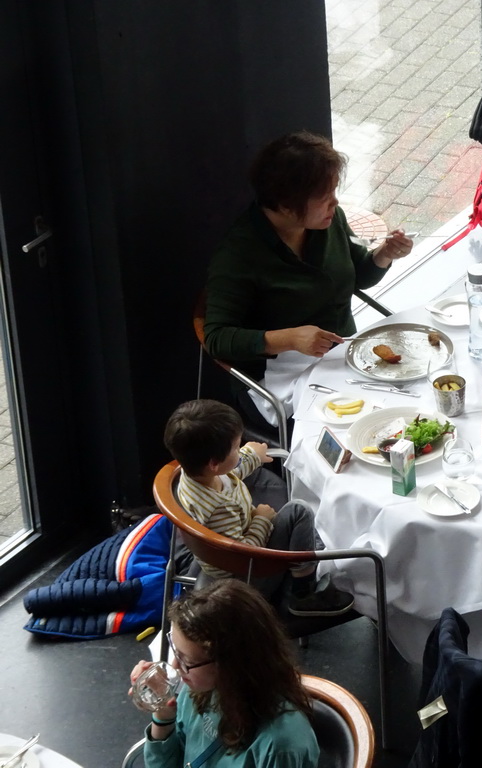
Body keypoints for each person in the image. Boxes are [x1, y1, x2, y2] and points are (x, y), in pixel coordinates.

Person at [203, 131, 412, 426]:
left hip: (343, 357)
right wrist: (287, 339)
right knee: (366, 428)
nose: (335, 203)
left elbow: (358, 276)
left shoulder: (329, 221)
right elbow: (216, 338)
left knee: (407, 401)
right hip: (279, 379)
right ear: (287, 205)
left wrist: (385, 253)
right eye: (325, 198)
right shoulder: (239, 254)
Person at [164, 398, 352, 617]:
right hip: (247, 576)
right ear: (214, 463)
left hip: (216, 560)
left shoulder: (193, 476)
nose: (241, 447)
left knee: (303, 530)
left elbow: (230, 474)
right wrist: (261, 519)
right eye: (236, 447)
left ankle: (308, 557)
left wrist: (251, 456)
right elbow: (243, 553)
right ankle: (303, 592)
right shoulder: (219, 509)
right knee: (299, 511)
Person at [129, 580, 320, 767]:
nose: (175, 665)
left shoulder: (281, 746)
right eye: (175, 652)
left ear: (231, 665)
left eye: (188, 661)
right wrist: (163, 715)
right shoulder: (197, 692)